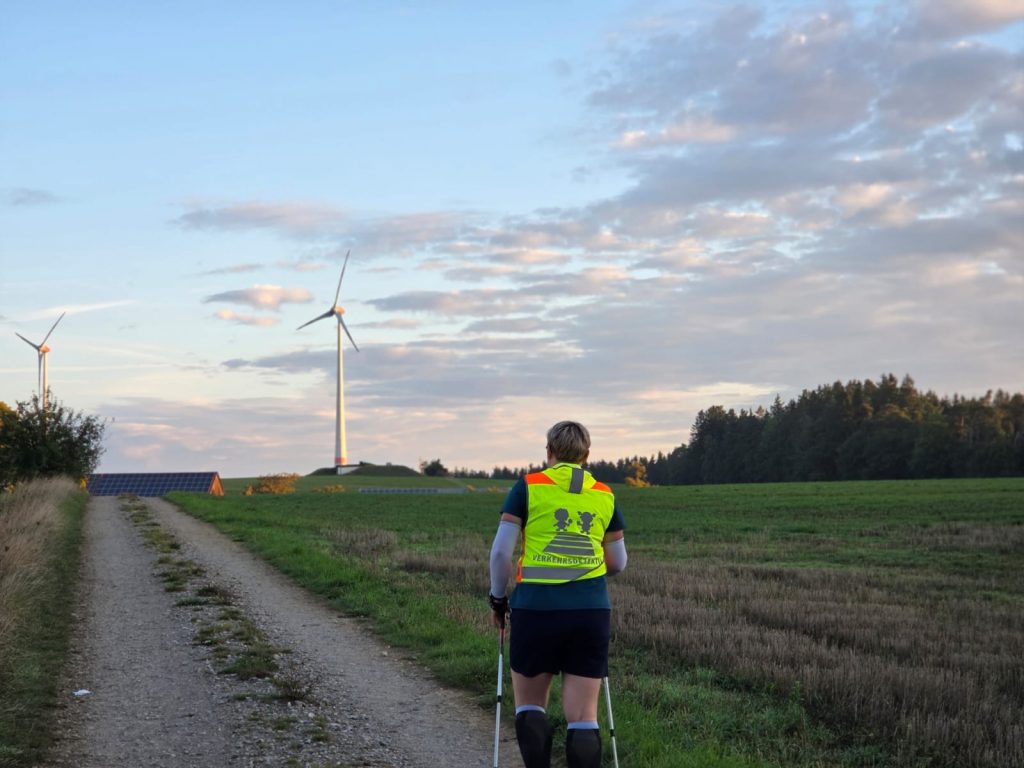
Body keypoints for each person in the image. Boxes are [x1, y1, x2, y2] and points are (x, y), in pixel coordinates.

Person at [488, 420, 628, 768]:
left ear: (549, 451)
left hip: (536, 609)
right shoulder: (604, 493)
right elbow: (618, 562)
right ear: (586, 455)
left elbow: (501, 553)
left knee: (530, 707)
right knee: (583, 717)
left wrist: (497, 599)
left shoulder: (529, 487)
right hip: (590, 611)